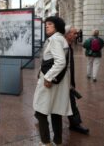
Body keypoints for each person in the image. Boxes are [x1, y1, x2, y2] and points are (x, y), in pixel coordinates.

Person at [33, 16, 72, 146]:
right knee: (56, 111)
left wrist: (48, 77)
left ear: (57, 26)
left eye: (50, 24)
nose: (46, 26)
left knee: (40, 110)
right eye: (46, 24)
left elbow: (60, 61)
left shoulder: (55, 39)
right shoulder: (61, 39)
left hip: (50, 80)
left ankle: (45, 142)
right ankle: (57, 141)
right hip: (60, 80)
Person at [64, 26, 89, 135]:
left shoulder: (69, 47)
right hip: (61, 82)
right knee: (50, 102)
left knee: (71, 102)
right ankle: (40, 115)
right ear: (67, 34)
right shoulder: (63, 47)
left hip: (68, 82)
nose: (76, 35)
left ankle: (75, 124)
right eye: (74, 33)